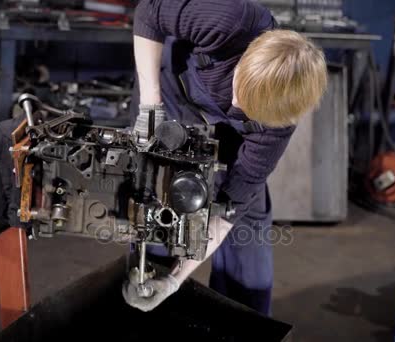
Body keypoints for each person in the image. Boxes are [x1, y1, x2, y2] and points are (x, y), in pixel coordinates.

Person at [122, 0, 328, 315]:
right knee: (160, 204)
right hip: (170, 93)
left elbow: (231, 207)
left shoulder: (273, 129)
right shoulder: (231, 21)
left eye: (244, 104)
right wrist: (151, 106)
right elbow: (149, 12)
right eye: (239, 87)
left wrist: (177, 279)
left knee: (248, 236)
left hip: (232, 131)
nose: (234, 100)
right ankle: (148, 302)